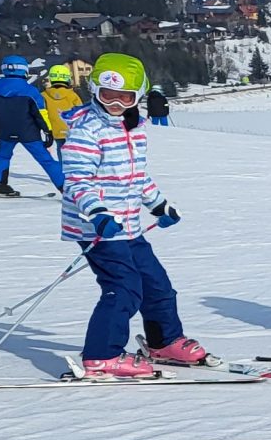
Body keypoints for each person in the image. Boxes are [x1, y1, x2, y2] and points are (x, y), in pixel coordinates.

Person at [59, 51, 206, 378]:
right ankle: (102, 355)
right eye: (107, 95)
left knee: (157, 284)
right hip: (96, 228)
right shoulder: (86, 130)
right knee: (124, 287)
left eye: (124, 97)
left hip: (128, 225)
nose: (115, 103)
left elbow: (136, 176)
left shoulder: (133, 129)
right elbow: (77, 181)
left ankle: (163, 342)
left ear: (137, 97)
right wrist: (98, 213)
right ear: (94, 90)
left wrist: (159, 205)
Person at [0, 54, 64, 197]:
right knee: (45, 159)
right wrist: (48, 131)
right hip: (28, 132)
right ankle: (66, 187)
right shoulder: (30, 91)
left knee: (2, 156)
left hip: (5, 132)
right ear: (24, 70)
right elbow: (41, 113)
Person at [42, 62, 82, 139]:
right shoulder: (72, 95)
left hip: (52, 132)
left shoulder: (43, 95)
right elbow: (81, 113)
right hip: (70, 132)